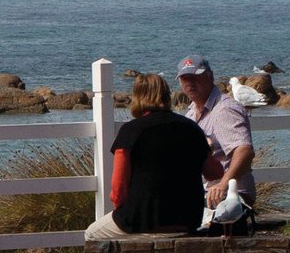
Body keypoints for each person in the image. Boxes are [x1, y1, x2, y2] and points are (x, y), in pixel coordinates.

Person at [85, 69, 212, 240]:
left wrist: (122, 209)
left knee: (92, 234)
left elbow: (118, 188)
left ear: (137, 97)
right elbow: (214, 172)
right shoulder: (192, 128)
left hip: (142, 219)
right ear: (167, 96)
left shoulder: (131, 131)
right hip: (187, 219)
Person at [179, 54, 255, 228]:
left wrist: (223, 184)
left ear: (210, 76)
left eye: (195, 77)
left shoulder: (224, 109)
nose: (190, 83)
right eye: (185, 79)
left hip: (230, 196)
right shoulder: (191, 112)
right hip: (205, 194)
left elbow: (244, 151)